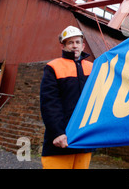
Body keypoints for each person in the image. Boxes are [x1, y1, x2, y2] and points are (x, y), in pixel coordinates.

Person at [40, 25, 94, 169]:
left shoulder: (92, 67)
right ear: (63, 46)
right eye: (70, 42)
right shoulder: (53, 67)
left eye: (77, 42)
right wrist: (57, 133)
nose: (74, 46)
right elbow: (49, 103)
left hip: (84, 139)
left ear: (83, 45)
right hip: (60, 140)